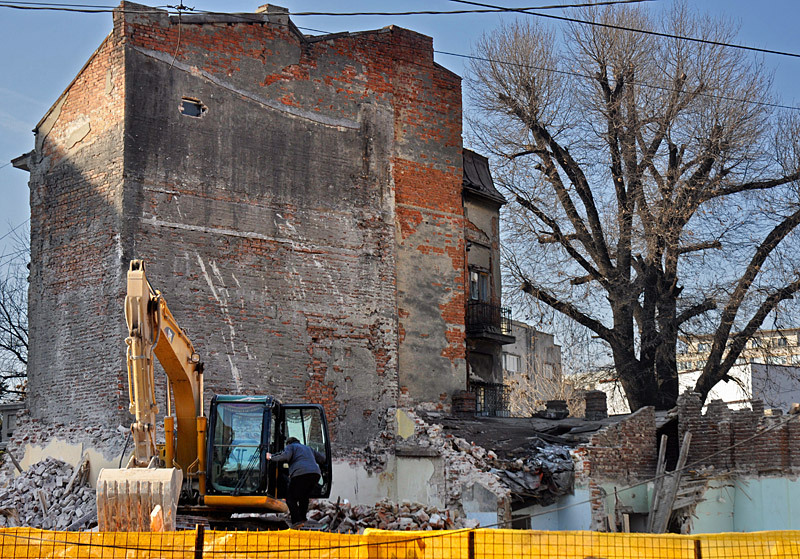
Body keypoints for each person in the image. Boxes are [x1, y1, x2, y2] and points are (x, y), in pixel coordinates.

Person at [266, 437, 326, 527]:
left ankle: (296, 521)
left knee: (290, 498)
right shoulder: (308, 448)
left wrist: (271, 457)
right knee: (304, 497)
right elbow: (322, 459)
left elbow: (285, 456)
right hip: (315, 474)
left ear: (288, 443)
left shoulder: (291, 447)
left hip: (300, 474)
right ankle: (302, 519)